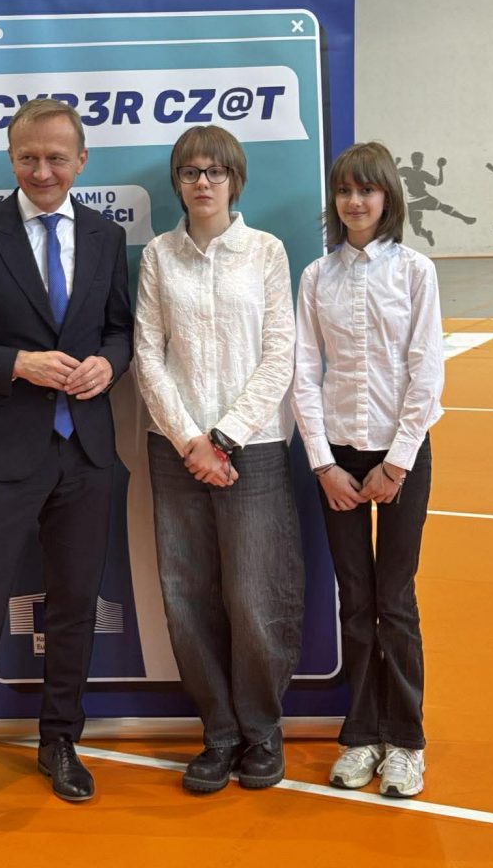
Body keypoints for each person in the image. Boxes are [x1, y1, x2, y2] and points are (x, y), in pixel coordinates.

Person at [0, 99, 133, 849]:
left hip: (85, 455)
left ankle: (59, 742)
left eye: (56, 158)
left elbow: (119, 328)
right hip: (0, 461)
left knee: (73, 607)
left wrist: (109, 363)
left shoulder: (105, 236)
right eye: (28, 158)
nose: (42, 171)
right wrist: (17, 364)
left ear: (81, 161)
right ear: (10, 159)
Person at [134, 125, 305, 795]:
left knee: (256, 597)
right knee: (187, 597)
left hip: (252, 450)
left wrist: (225, 438)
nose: (202, 182)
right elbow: (147, 356)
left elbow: (280, 355)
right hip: (175, 451)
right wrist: (190, 442)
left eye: (215, 171)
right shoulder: (158, 255)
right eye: (189, 172)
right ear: (177, 183)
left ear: (235, 180)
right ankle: (220, 733)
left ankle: (261, 730)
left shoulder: (265, 251)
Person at [292, 141, 444, 799]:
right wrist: (323, 464)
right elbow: (302, 372)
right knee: (354, 600)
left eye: (367, 190)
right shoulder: (316, 276)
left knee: (394, 600)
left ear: (387, 197)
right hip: (338, 459)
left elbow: (426, 370)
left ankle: (405, 742)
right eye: (345, 191)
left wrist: (397, 463)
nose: (355, 202)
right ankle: (360, 736)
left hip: (400, 455)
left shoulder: (414, 271)